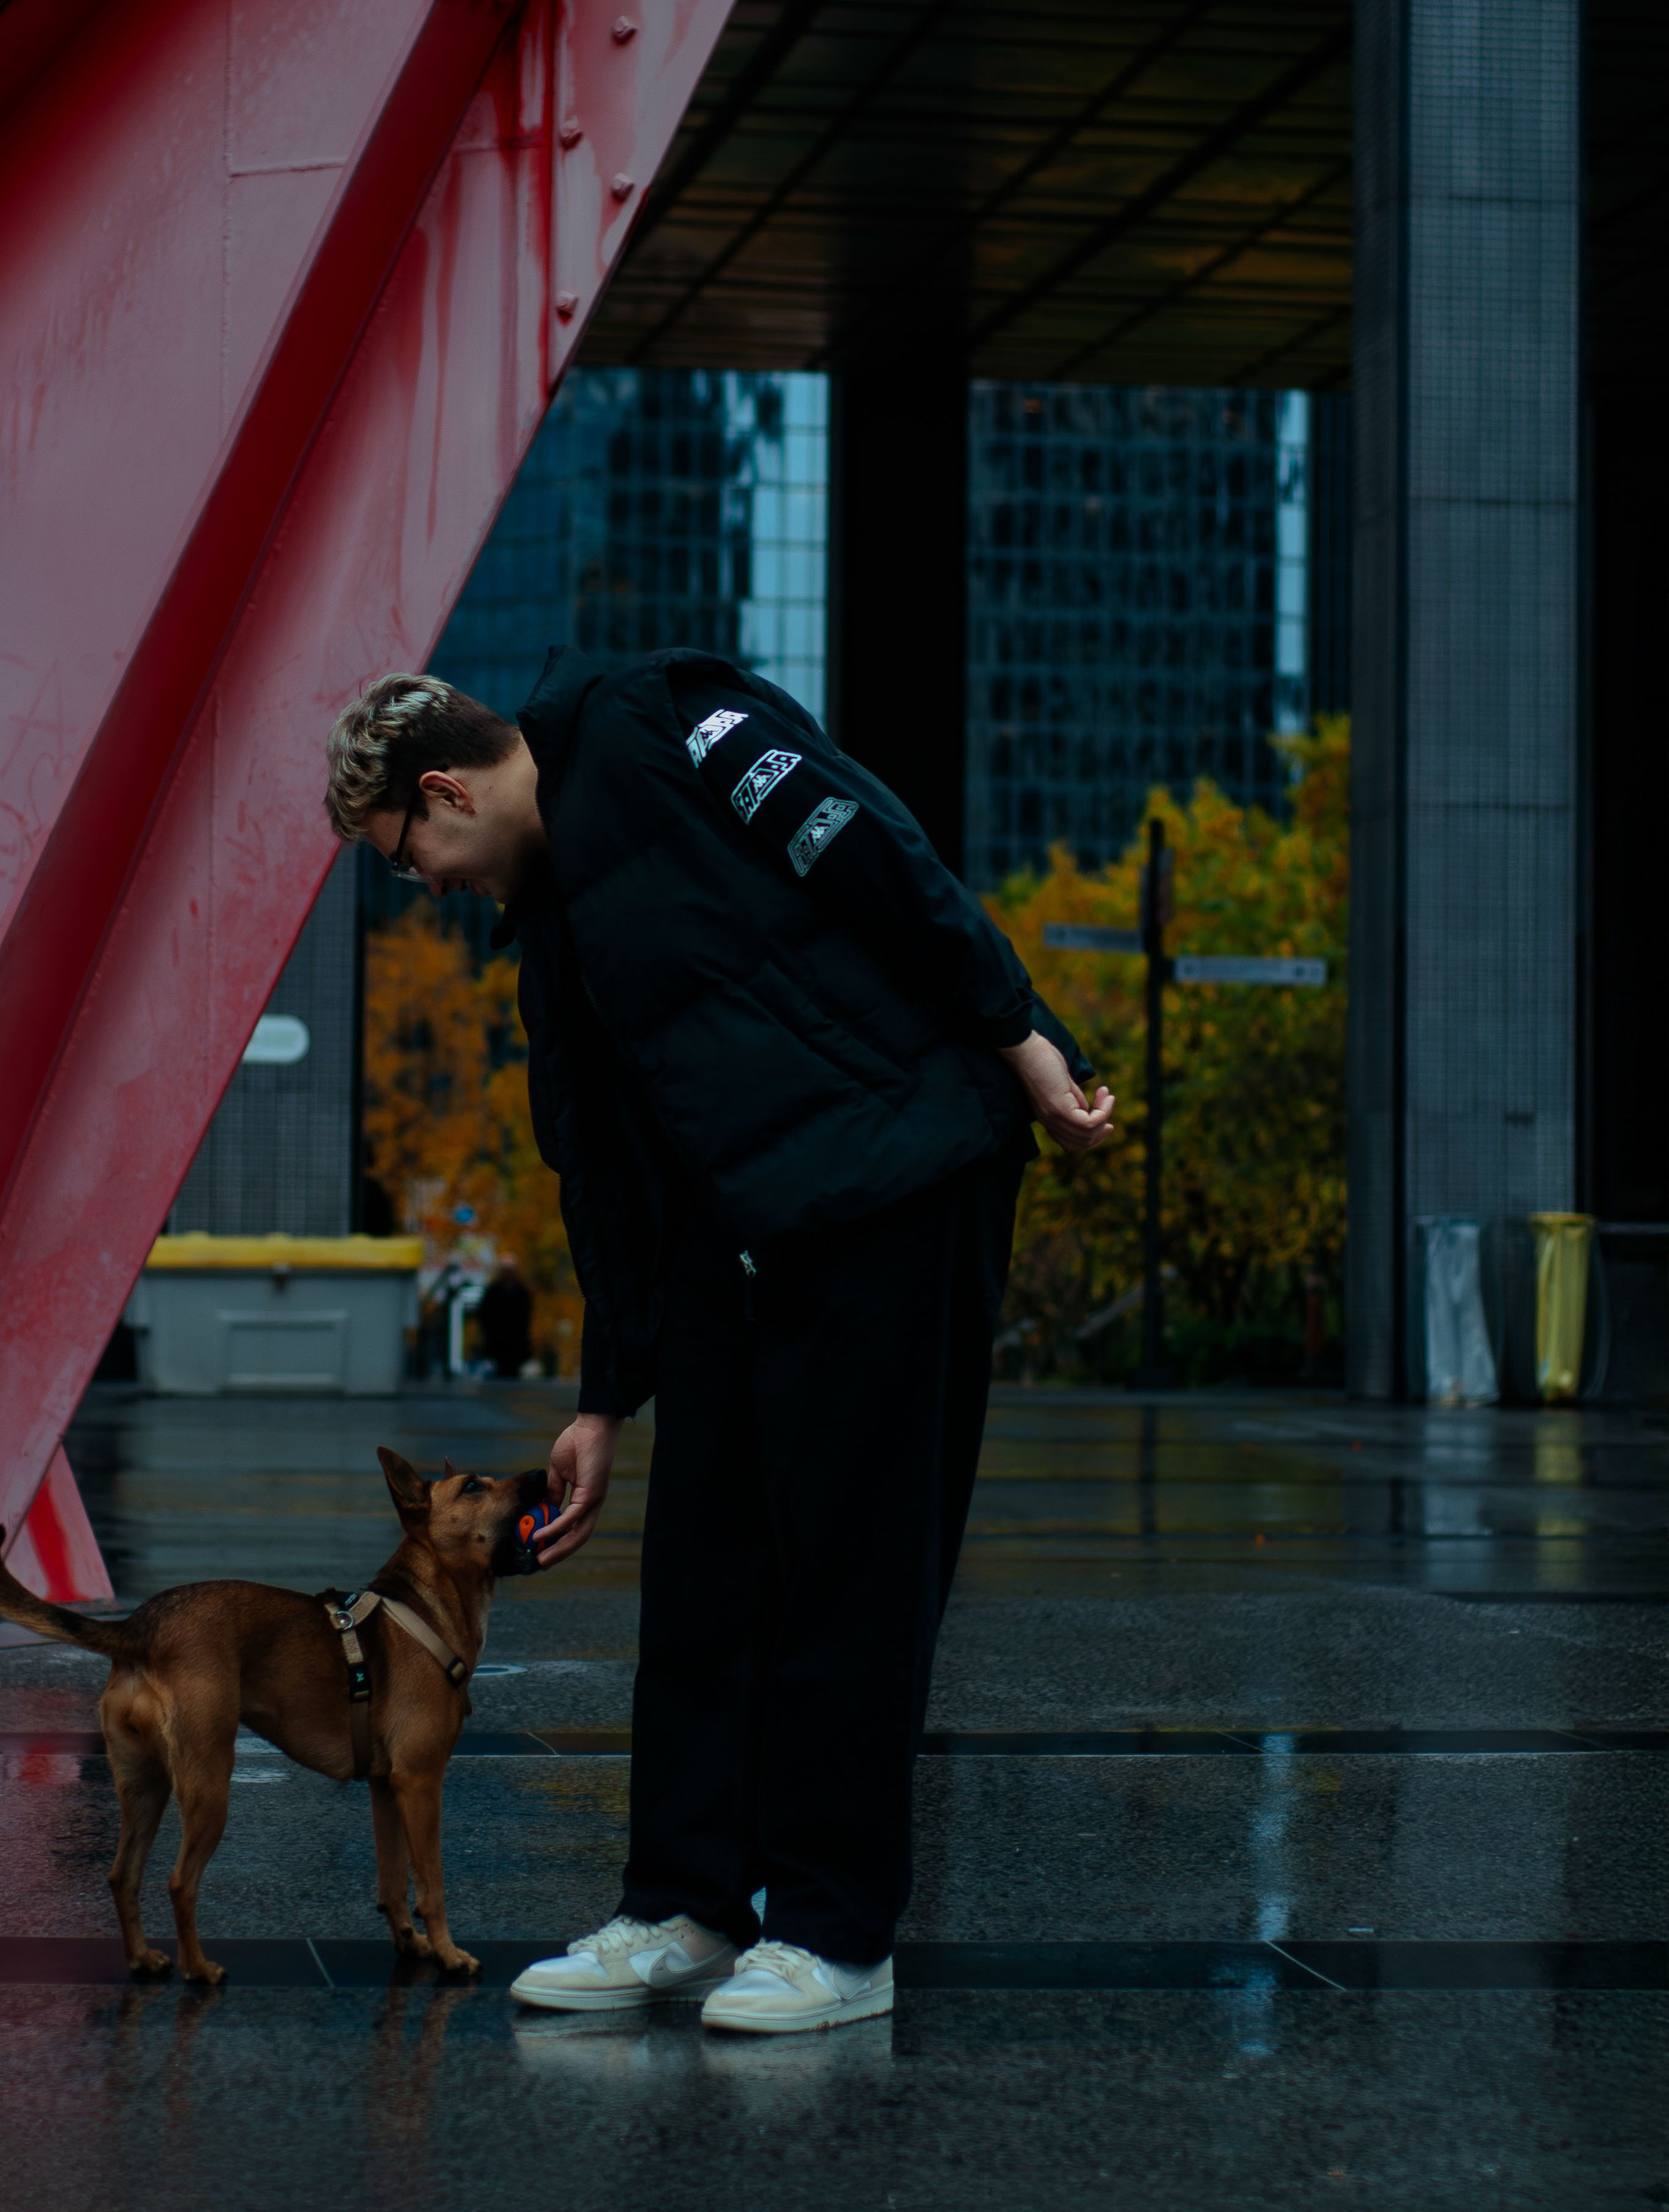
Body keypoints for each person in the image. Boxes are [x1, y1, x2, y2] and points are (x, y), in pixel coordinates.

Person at [324, 652, 1111, 2032]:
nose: (426, 888)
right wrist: (606, 1393)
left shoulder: (654, 714)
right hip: (739, 1241)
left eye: (407, 855)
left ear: (443, 786)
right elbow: (606, 1172)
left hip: (898, 1177)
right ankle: (684, 1906)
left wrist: (1018, 1029)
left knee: (851, 1582)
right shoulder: (551, 926)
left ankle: (834, 1935)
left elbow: (863, 842)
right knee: (703, 1577)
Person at [477, 1256, 534, 1380]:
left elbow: (526, 1316)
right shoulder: (492, 1292)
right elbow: (485, 1316)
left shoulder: (522, 1292)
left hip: (516, 1340)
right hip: (497, 1340)